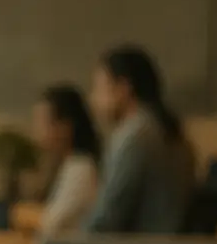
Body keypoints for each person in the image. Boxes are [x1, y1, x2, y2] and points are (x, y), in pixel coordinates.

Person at [83, 45, 195, 234]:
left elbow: (107, 217)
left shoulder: (133, 136)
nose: (93, 99)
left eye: (98, 87)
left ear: (123, 89)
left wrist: (72, 242)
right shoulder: (171, 132)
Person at [33, 84, 100, 237]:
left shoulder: (81, 169)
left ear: (65, 127)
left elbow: (52, 224)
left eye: (42, 122)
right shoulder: (69, 165)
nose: (37, 130)